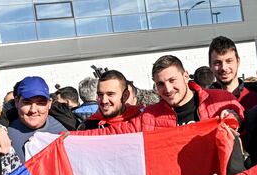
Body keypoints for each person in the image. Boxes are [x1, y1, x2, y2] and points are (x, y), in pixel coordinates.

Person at [79, 55, 243, 133]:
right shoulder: (149, 116)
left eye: (172, 80)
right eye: (160, 84)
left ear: (186, 76)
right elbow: (113, 133)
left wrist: (236, 121)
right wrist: (67, 138)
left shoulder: (221, 100)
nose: (168, 89)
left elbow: (249, 131)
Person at [3, 77, 67, 162]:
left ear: (49, 103)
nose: (33, 110)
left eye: (40, 103)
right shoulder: (4, 135)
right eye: (27, 102)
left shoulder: (63, 132)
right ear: (16, 102)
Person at [209, 36, 257, 110]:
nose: (224, 67)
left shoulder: (255, 99)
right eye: (217, 63)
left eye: (229, 61)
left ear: (238, 61)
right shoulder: (204, 101)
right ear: (210, 65)